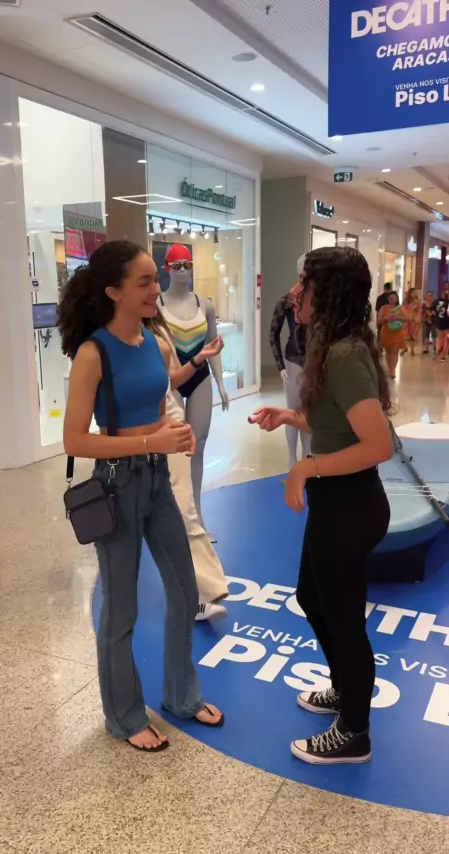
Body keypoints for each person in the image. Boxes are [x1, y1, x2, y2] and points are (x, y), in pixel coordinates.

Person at [59, 241, 223, 753]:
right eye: (146, 281)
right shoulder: (93, 353)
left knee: (184, 592)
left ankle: (180, 696)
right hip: (117, 483)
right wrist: (151, 441)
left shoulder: (154, 341)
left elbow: (159, 394)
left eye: (157, 278)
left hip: (156, 478)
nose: (158, 289)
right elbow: (75, 440)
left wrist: (175, 433)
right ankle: (124, 714)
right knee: (122, 608)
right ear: (114, 292)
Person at [250, 246, 392, 765]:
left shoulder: (345, 356)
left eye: (304, 283)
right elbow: (337, 424)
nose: (294, 293)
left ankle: (354, 731)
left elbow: (378, 444)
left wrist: (304, 467)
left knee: (344, 618)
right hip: (337, 502)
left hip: (351, 504)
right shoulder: (334, 347)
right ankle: (345, 689)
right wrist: (290, 418)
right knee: (313, 597)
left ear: (326, 294)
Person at [144, 307, 229, 621]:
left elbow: (171, 381)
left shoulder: (157, 329)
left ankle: (205, 590)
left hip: (171, 428)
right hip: (144, 435)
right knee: (158, 517)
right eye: (146, 284)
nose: (155, 289)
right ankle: (197, 589)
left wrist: (199, 358)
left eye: (154, 284)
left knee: (184, 508)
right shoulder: (118, 339)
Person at [269, 255, 311, 469]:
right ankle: (293, 461)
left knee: (310, 412)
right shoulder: (288, 300)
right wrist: (281, 366)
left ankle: (307, 460)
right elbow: (273, 333)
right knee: (293, 410)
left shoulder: (322, 300)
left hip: (315, 362)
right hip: (293, 360)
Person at [378, 291, 406, 379]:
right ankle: (389, 368)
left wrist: (396, 318)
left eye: (394, 298)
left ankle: (392, 370)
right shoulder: (383, 308)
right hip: (386, 332)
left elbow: (406, 318)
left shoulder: (400, 308)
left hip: (397, 332)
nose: (392, 300)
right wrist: (386, 319)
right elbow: (379, 320)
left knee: (395, 351)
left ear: (397, 299)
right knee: (388, 351)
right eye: (390, 298)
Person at [402, 288, 422, 356]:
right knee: (405, 335)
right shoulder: (406, 300)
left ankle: (412, 350)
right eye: (413, 292)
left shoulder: (417, 301)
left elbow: (420, 310)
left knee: (413, 336)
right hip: (407, 319)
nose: (414, 293)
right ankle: (405, 347)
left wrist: (417, 318)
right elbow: (403, 309)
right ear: (410, 293)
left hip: (414, 320)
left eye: (415, 292)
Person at [433, 286, 449, 362]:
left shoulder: (436, 301)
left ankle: (437, 353)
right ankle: (443, 355)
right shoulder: (447, 302)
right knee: (445, 339)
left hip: (440, 321)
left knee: (440, 338)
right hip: (446, 322)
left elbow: (434, 312)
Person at [421, 290, 436, 355]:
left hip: (433, 321)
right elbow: (421, 311)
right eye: (428, 295)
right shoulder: (423, 303)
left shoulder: (434, 303)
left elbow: (436, 311)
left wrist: (434, 313)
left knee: (434, 335)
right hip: (425, 320)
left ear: (432, 296)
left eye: (430, 295)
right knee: (426, 335)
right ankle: (426, 349)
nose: (429, 297)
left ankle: (435, 348)